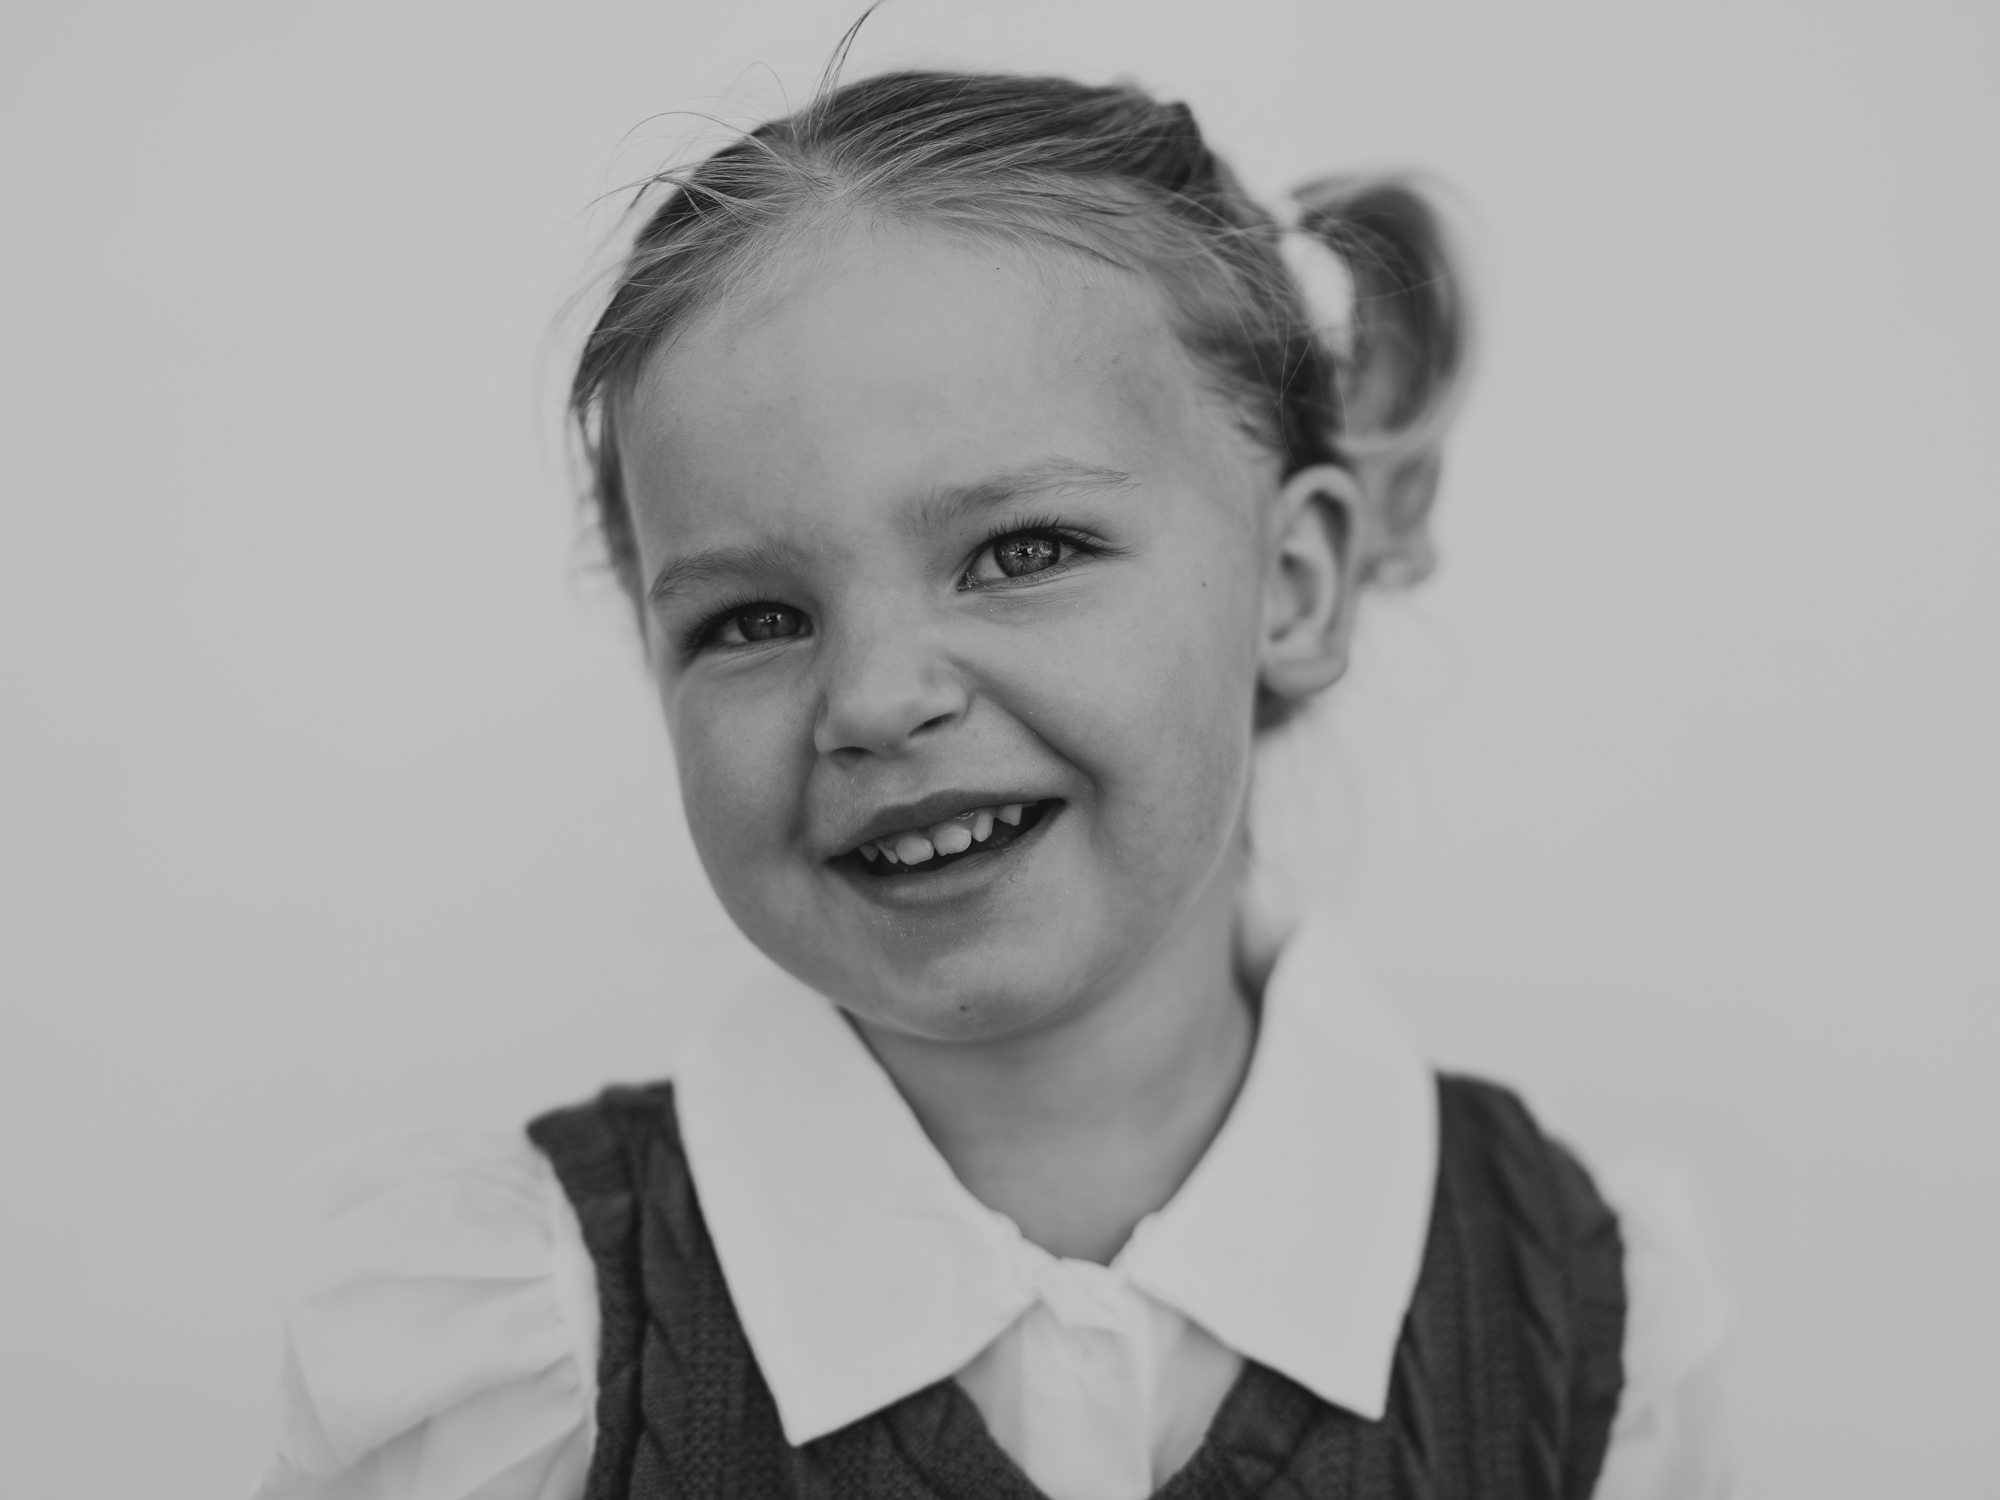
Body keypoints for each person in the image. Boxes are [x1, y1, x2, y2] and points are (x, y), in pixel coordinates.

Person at [252, 66, 1734, 1500]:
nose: (875, 698)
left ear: (1294, 582)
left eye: (1021, 552)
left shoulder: (1589, 1327)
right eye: (752, 620)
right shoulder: (520, 1343)